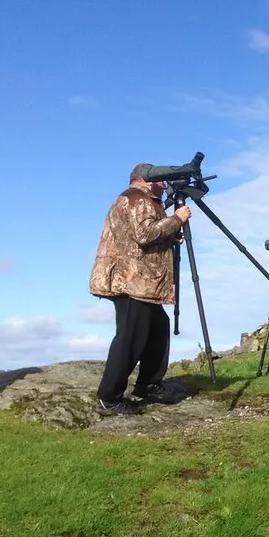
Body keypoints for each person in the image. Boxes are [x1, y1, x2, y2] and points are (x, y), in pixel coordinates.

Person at [89, 163, 192, 416]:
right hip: (131, 281)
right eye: (160, 180)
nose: (164, 184)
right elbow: (144, 234)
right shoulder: (138, 199)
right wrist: (176, 219)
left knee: (157, 328)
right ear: (146, 180)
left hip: (140, 280)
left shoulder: (139, 200)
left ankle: (148, 384)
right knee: (130, 337)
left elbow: (141, 238)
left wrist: (170, 233)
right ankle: (109, 398)